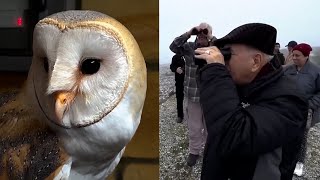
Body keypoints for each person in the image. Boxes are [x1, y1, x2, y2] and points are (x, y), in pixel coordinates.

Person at [194, 23, 308, 180]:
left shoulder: (290, 100)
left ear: (255, 62)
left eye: (227, 56)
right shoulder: (240, 83)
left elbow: (232, 137)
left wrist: (215, 71)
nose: (223, 63)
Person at [169, 22, 216, 166]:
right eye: (199, 32)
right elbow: (173, 46)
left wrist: (211, 37)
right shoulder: (189, 48)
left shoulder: (215, 50)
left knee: (211, 128)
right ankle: (194, 151)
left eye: (205, 32)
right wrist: (189, 32)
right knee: (194, 128)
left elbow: (226, 50)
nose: (201, 35)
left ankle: (210, 152)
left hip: (210, 97)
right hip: (193, 96)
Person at [283, 43, 320, 177]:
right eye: (293, 55)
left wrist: (310, 104)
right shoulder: (287, 70)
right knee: (285, 134)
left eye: (297, 55)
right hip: (287, 109)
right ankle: (284, 157)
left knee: (302, 137)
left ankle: (299, 162)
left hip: (305, 111)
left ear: (306, 56)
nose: (294, 58)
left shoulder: (316, 72)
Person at [170, 53, 185, 123]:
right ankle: (180, 116)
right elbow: (172, 66)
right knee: (179, 99)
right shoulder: (175, 57)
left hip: (191, 82)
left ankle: (193, 115)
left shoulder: (190, 56)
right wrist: (176, 69)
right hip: (179, 82)